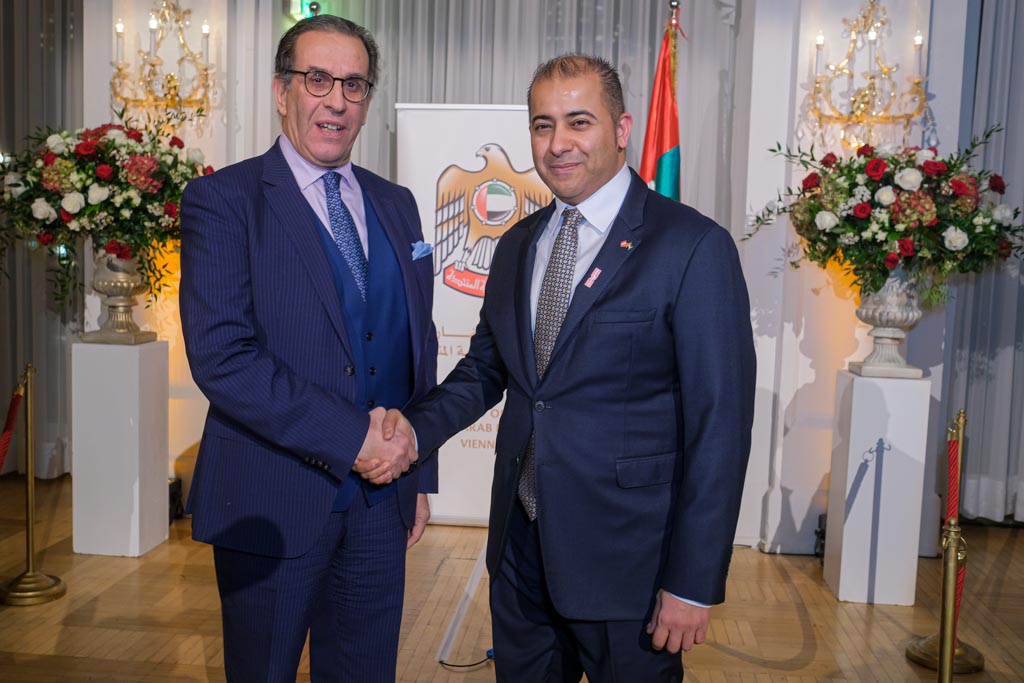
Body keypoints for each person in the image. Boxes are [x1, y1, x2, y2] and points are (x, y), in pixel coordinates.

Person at [365, 54, 756, 681]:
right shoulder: (518, 243)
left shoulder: (691, 247)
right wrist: (412, 431)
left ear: (621, 129)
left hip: (630, 566)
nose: (558, 143)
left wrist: (693, 580)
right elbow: (485, 370)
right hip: (519, 555)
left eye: (579, 122)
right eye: (543, 125)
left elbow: (721, 426)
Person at [179, 15, 437, 683]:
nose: (337, 99)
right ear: (281, 90)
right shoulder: (222, 200)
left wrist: (417, 476)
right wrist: (353, 438)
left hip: (381, 504)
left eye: (354, 84)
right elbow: (223, 356)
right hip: (271, 498)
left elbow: (418, 344)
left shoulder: (398, 203)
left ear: (367, 100)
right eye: (317, 79)